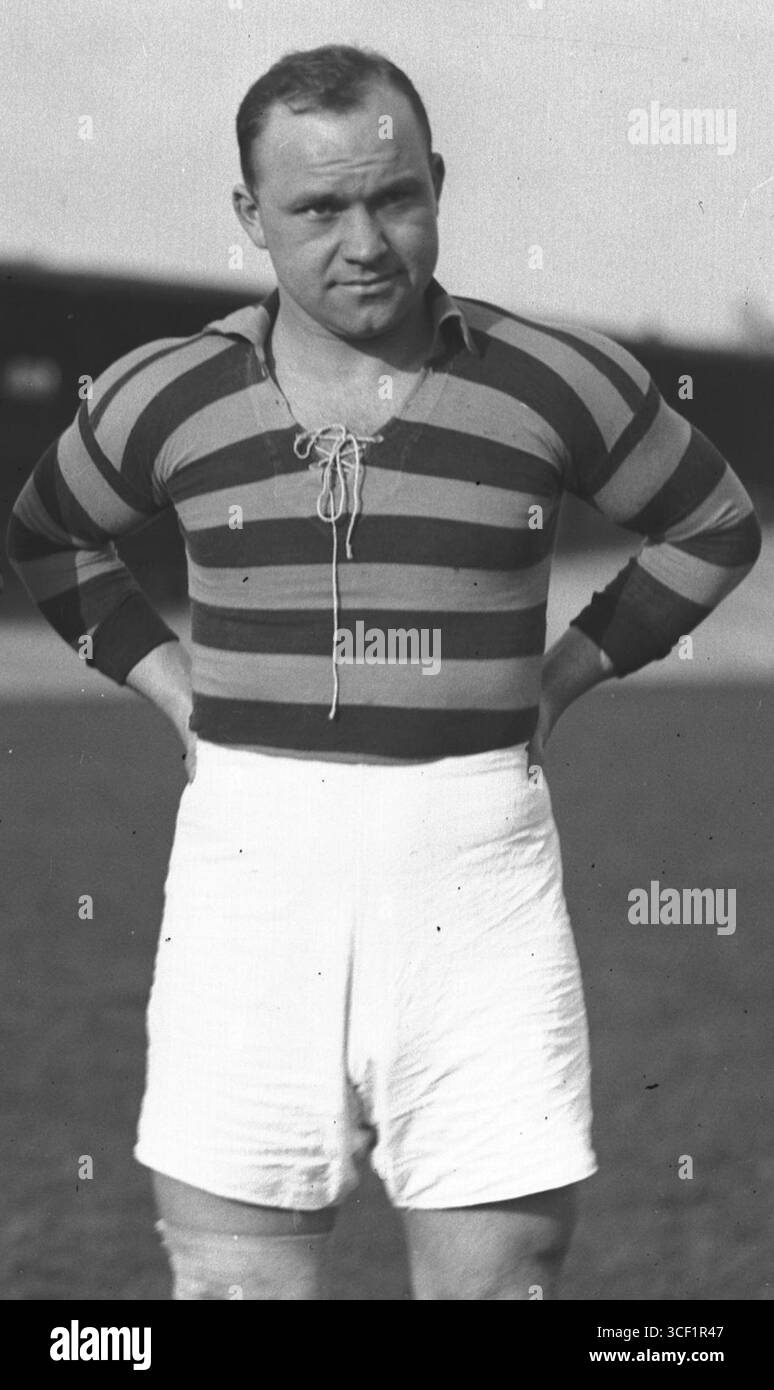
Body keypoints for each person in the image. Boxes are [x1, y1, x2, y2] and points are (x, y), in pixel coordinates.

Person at [5, 44, 761, 1300]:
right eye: (316, 208)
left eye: (394, 196)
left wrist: (563, 674)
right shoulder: (168, 391)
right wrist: (176, 689)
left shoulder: (551, 374)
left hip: (476, 861)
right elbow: (45, 534)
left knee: (500, 1281)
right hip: (250, 865)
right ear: (251, 217)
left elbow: (714, 520)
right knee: (234, 1285)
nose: (365, 241)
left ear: (437, 184)